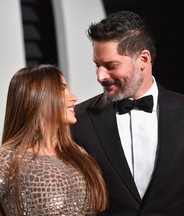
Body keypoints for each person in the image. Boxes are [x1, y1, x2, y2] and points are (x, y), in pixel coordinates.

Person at [0, 64, 108, 216]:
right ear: (39, 98)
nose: (74, 98)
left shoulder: (78, 155)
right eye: (62, 90)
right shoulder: (7, 160)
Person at [70, 10, 184, 215]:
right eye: (97, 65)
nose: (100, 76)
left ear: (143, 59)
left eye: (110, 66)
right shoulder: (79, 120)